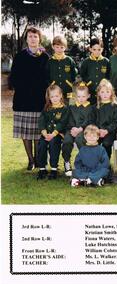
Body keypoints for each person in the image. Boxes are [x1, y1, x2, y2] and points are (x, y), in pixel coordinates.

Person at [9, 27, 49, 171]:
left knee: (38, 133)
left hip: (39, 101)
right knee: (25, 133)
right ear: (27, 39)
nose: (33, 39)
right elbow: (13, 77)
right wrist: (23, 87)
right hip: (22, 100)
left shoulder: (45, 57)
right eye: (30, 36)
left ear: (39, 39)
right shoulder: (19, 56)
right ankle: (30, 161)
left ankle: (38, 160)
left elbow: (48, 78)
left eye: (35, 36)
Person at [61, 82, 94, 176]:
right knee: (67, 141)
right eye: (79, 96)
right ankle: (67, 162)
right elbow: (69, 120)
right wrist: (73, 129)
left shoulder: (91, 108)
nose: (81, 99)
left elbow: (89, 120)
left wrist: (80, 128)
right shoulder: (71, 108)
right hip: (71, 130)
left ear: (88, 96)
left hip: (84, 130)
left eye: (83, 96)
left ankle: (86, 162)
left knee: (80, 140)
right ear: (75, 96)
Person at [37, 84, 69, 180]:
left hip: (57, 134)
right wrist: (44, 132)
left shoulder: (64, 109)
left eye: (56, 96)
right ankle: (42, 169)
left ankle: (54, 169)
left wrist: (54, 134)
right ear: (48, 97)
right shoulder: (47, 108)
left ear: (61, 96)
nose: (54, 98)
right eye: (52, 96)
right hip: (46, 134)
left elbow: (62, 122)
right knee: (41, 145)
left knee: (54, 145)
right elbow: (42, 120)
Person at [46, 35, 77, 104]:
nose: (59, 49)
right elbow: (47, 75)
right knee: (55, 106)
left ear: (65, 48)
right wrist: (51, 84)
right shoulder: (50, 61)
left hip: (67, 89)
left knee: (66, 106)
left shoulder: (69, 60)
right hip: (54, 90)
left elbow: (74, 73)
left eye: (61, 47)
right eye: (57, 47)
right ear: (53, 47)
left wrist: (70, 83)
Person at [94, 79, 117, 160]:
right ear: (98, 93)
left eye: (107, 92)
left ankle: (106, 163)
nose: (105, 94)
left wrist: (107, 130)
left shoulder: (115, 106)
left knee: (106, 143)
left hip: (110, 131)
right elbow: (93, 120)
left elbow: (116, 122)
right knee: (93, 142)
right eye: (102, 92)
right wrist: (98, 130)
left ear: (111, 93)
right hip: (98, 131)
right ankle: (95, 163)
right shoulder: (96, 107)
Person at [80, 37, 110, 104]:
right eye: (94, 49)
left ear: (102, 49)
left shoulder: (106, 61)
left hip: (103, 92)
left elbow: (109, 76)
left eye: (99, 49)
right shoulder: (86, 62)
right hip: (90, 91)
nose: (97, 51)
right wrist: (88, 83)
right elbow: (82, 75)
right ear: (90, 49)